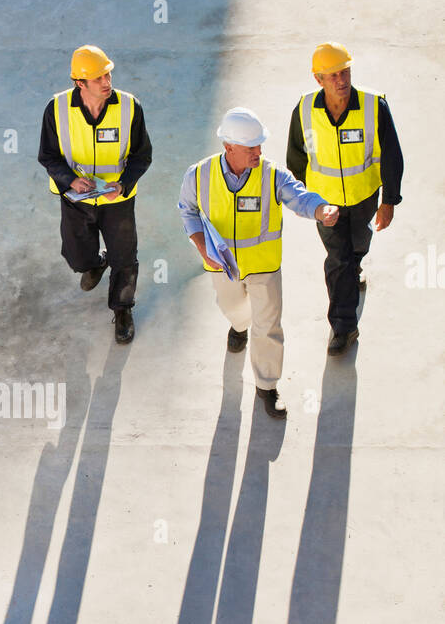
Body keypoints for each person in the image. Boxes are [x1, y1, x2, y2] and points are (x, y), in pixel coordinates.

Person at [178, 107, 339, 419]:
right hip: (222, 266)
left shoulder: (272, 174)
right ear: (229, 148)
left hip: (264, 267)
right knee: (235, 310)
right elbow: (187, 210)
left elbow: (299, 197)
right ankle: (239, 326)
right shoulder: (198, 175)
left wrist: (321, 209)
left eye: (260, 145)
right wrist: (201, 247)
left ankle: (267, 385)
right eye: (251, 147)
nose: (258, 152)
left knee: (268, 325)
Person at [286, 42, 404, 354]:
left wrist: (389, 200)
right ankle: (343, 327)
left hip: (364, 196)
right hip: (325, 204)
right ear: (318, 79)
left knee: (357, 249)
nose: (341, 80)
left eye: (345, 72)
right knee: (338, 260)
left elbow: (392, 155)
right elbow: (296, 157)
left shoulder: (372, 104)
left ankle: (357, 266)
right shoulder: (305, 109)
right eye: (333, 75)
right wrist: (305, 201)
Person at [38, 45, 152, 344]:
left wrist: (123, 184)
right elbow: (48, 156)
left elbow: (142, 156)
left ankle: (123, 309)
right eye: (99, 77)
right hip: (76, 201)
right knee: (77, 256)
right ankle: (93, 263)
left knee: (125, 258)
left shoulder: (129, 107)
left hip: (118, 201)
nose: (107, 82)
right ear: (80, 83)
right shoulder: (57, 109)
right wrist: (71, 180)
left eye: (108, 74)